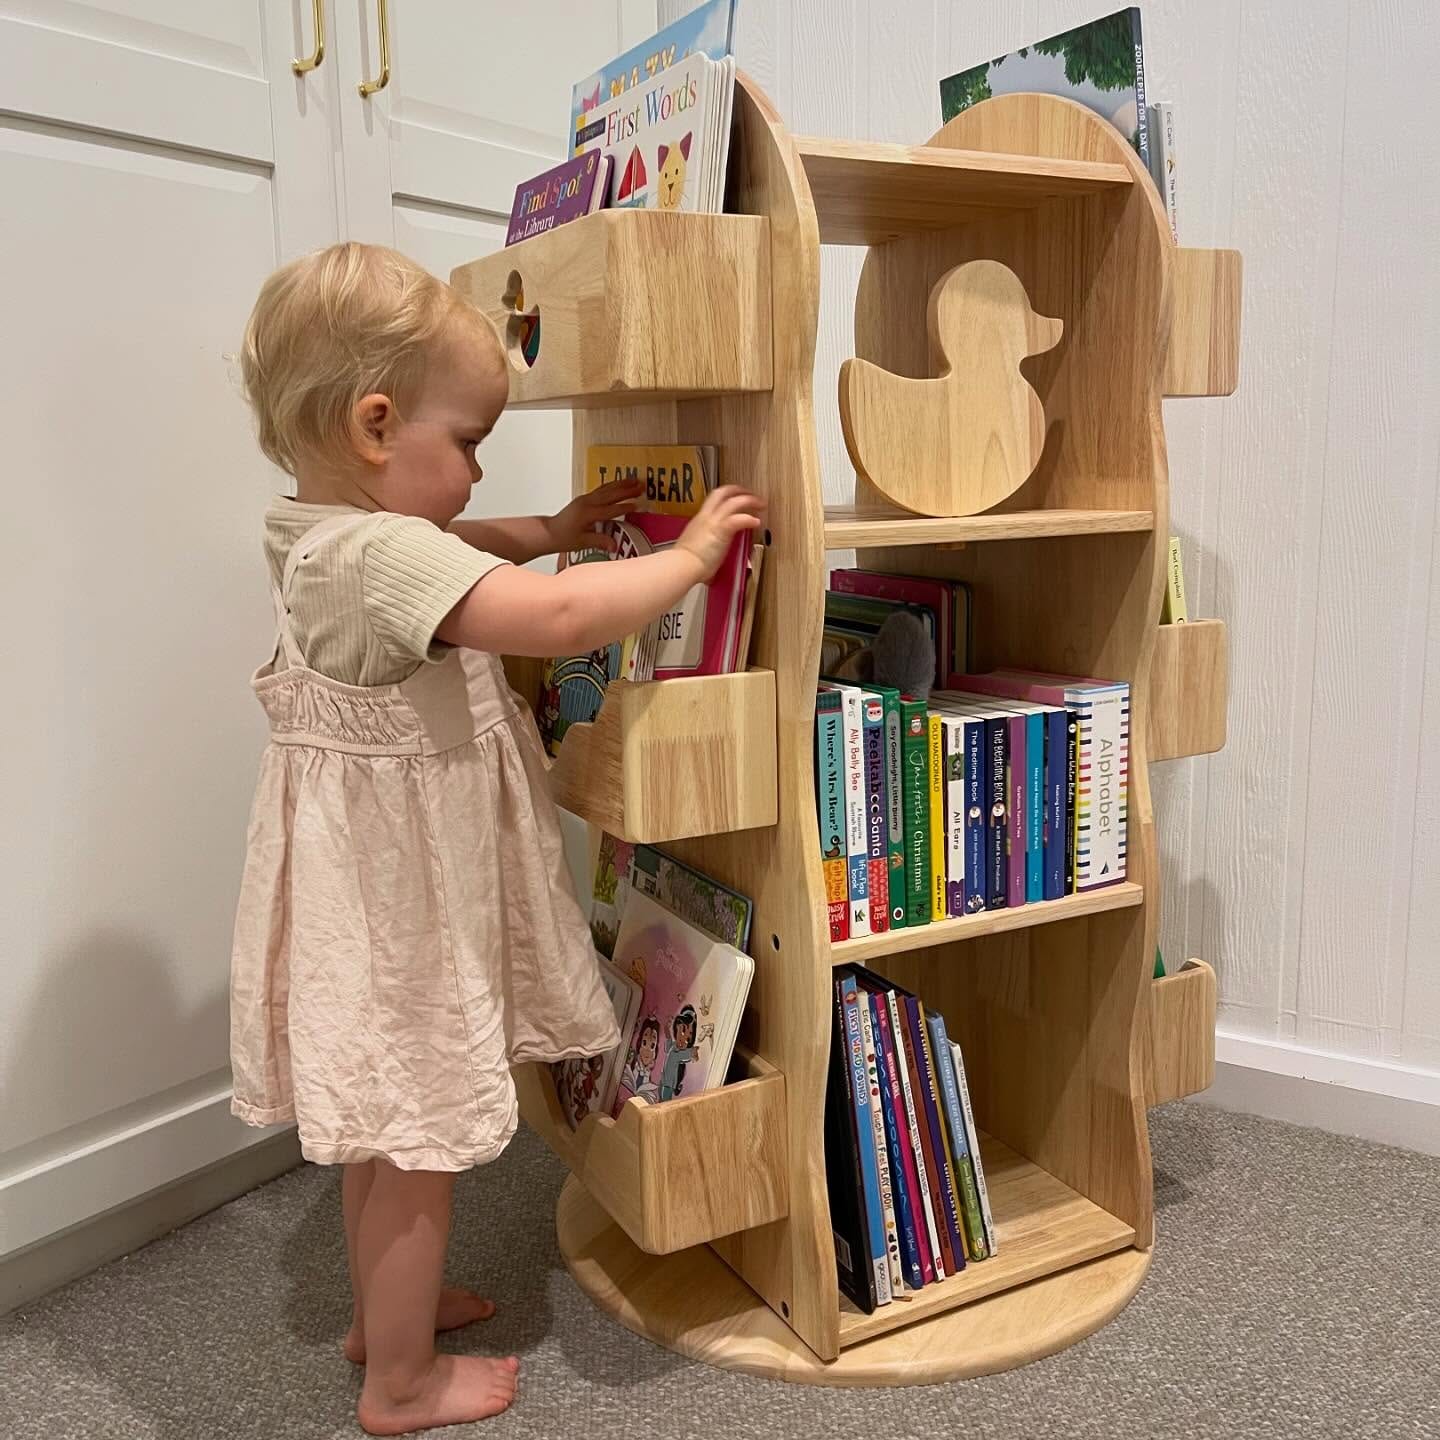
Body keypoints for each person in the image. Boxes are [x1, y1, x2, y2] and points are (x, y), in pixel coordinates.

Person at [229, 242, 764, 1435]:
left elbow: (469, 553)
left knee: (381, 1134)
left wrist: (559, 520)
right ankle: (400, 1383)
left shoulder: (315, 532)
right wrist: (686, 560)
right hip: (406, 905)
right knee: (421, 1145)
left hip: (362, 897)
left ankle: (383, 1320)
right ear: (376, 426)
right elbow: (560, 611)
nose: (478, 468)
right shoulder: (383, 555)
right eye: (467, 440)